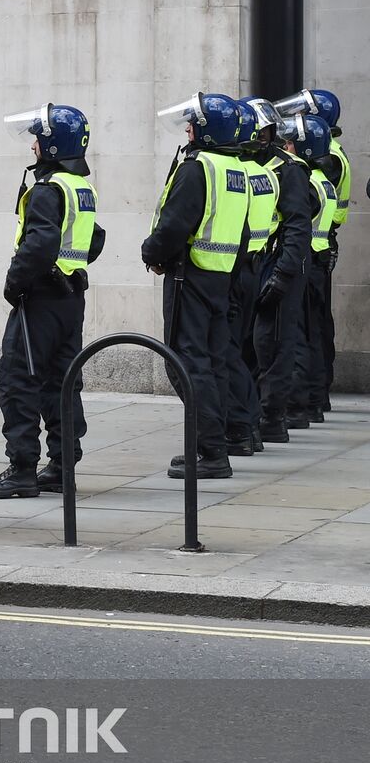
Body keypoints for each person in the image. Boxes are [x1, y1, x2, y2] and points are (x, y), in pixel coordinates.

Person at [0, 103, 104, 498]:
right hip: (70, 298)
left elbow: (40, 243)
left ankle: (22, 469)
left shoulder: (49, 190)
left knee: (17, 379)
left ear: (51, 143)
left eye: (37, 138)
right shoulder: (80, 186)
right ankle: (63, 466)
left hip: (42, 299)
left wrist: (15, 283)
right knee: (62, 380)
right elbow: (94, 238)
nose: (33, 145)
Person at [140, 92, 249, 479]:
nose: (187, 130)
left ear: (205, 129)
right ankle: (211, 447)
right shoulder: (236, 170)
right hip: (222, 276)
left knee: (188, 364)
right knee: (215, 363)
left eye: (192, 124)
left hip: (191, 276)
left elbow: (174, 225)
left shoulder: (197, 167)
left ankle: (212, 453)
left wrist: (151, 252)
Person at [276, 89, 350, 415]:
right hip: (318, 248)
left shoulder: (326, 161)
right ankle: (316, 399)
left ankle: (309, 400)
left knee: (309, 331)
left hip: (314, 250)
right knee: (315, 327)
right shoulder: (326, 159)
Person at [252, 110, 318, 445]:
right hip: (253, 264)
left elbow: (297, 227)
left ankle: (272, 418)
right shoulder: (251, 165)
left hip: (280, 263)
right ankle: (254, 415)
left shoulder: (287, 168)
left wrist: (282, 275)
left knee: (273, 342)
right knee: (252, 345)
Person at [222, 98, 283, 455]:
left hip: (231, 270)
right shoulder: (264, 173)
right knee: (243, 353)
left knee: (229, 354)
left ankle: (243, 426)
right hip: (254, 266)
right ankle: (249, 426)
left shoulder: (237, 172)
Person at [281, 113, 339, 429]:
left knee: (301, 337)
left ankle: (300, 406)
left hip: (307, 263)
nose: (285, 147)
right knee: (314, 334)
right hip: (316, 261)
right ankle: (315, 401)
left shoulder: (308, 181)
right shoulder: (324, 181)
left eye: (289, 142)